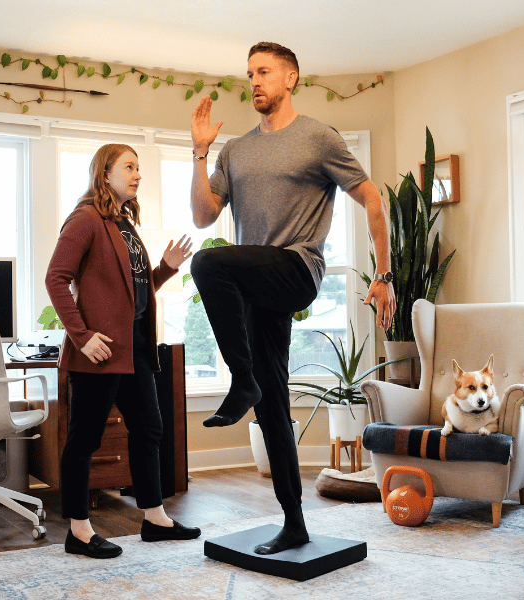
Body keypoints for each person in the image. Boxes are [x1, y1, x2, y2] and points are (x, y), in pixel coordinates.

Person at [189, 42, 395, 555]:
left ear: (291, 78)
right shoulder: (235, 149)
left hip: (297, 268)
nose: (254, 81)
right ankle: (295, 522)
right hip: (256, 283)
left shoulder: (317, 138)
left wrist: (384, 273)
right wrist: (198, 152)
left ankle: (241, 383)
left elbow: (372, 197)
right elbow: (202, 216)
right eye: (250, 73)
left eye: (264, 72)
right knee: (274, 407)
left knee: (207, 262)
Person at [46, 143, 199, 559]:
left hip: (135, 353)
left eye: (139, 168)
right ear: (105, 174)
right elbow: (56, 279)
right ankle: (78, 530)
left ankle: (155, 519)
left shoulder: (124, 223)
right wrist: (81, 335)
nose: (137, 174)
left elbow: (130, 292)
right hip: (100, 354)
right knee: (84, 441)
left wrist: (165, 267)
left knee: (150, 430)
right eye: (129, 167)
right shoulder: (85, 219)